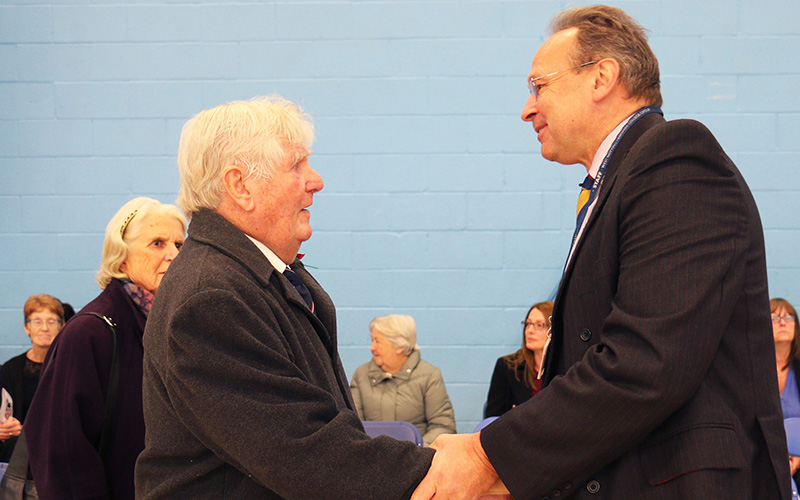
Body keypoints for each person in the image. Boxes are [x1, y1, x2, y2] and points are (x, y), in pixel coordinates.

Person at [411, 5, 790, 500]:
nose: (527, 108)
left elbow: (647, 362)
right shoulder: (617, 179)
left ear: (601, 78)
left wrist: (489, 457)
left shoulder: (675, 156)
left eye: (538, 85)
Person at [134, 96, 434, 500]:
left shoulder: (252, 275)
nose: (316, 180)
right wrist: (447, 469)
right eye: (297, 164)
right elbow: (303, 451)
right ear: (240, 186)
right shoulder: (210, 298)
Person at [25, 197, 186, 500]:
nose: (173, 255)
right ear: (122, 259)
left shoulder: (175, 327)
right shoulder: (91, 333)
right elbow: (61, 453)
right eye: (157, 243)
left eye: (179, 244)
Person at [350, 314, 456, 446]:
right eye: (372, 341)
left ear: (400, 346)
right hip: (372, 460)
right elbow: (353, 426)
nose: (372, 348)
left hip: (418, 460)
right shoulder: (361, 375)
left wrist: (417, 452)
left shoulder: (429, 376)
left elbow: (443, 427)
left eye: (378, 341)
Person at [0, 294, 65, 462]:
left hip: (60, 452)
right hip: (19, 457)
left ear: (62, 326)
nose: (44, 328)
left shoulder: (72, 368)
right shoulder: (10, 370)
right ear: (26, 328)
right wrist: (4, 429)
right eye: (37, 321)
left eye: (52, 321)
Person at [484, 301, 552, 418]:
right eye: (528, 324)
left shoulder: (570, 367)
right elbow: (493, 418)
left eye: (539, 325)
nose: (530, 330)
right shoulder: (507, 366)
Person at [772, 298, 800, 482]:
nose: (783, 322)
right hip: (764, 463)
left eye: (789, 316)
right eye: (774, 318)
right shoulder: (752, 373)